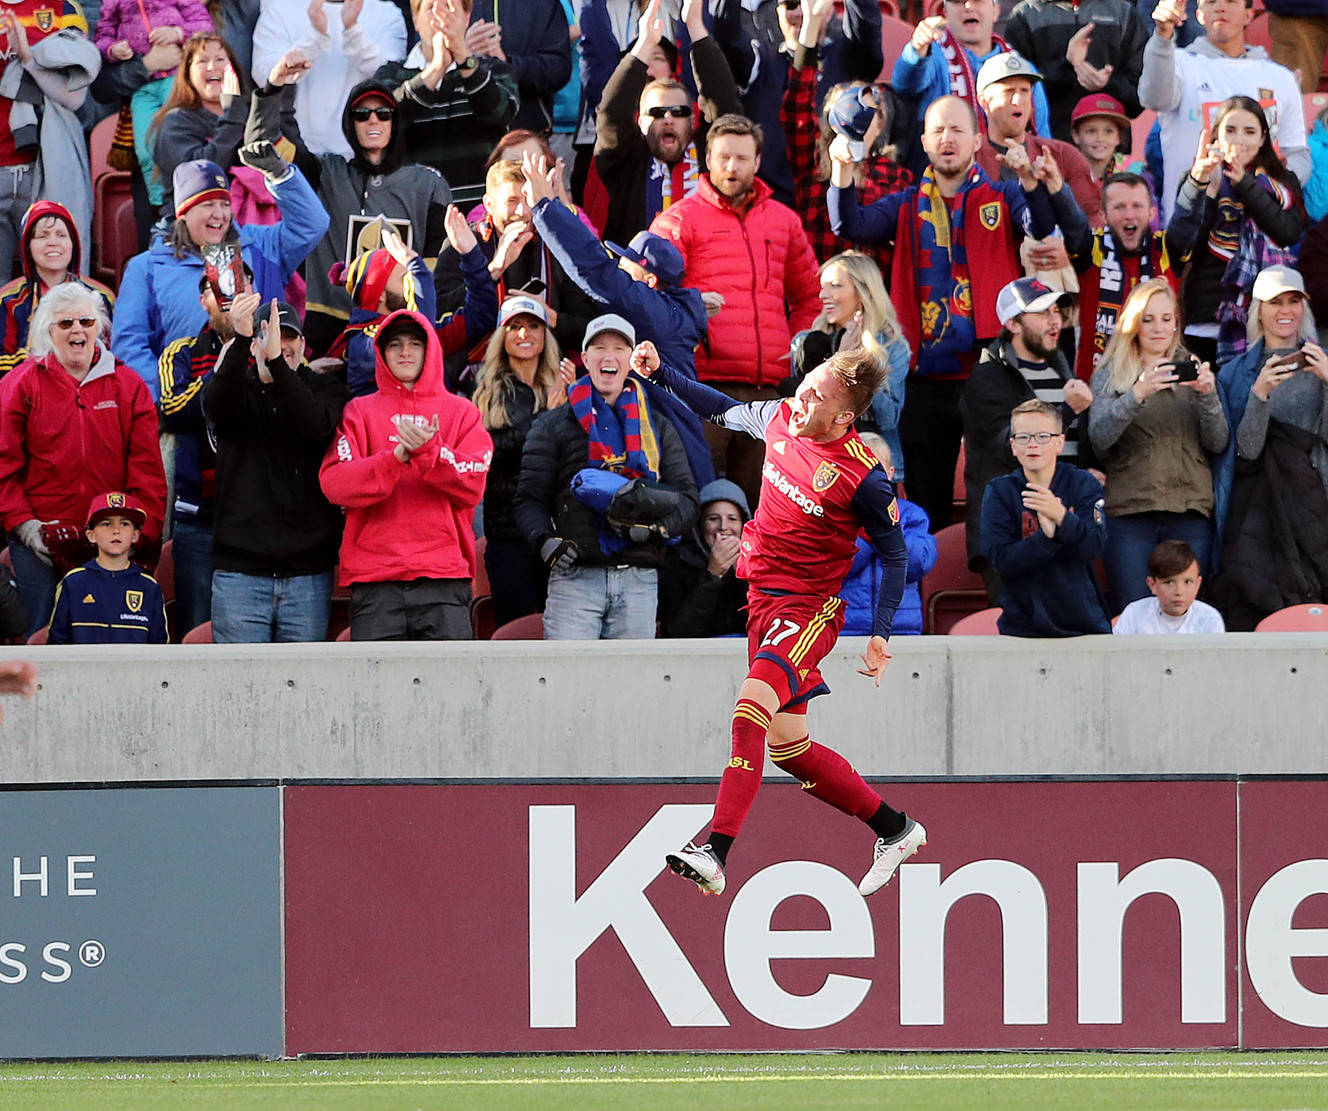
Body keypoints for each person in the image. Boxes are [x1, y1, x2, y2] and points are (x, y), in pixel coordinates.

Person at [638, 341, 924, 900]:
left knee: (750, 710)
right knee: (790, 748)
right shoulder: (781, 417)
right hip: (763, 601)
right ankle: (894, 828)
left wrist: (881, 633)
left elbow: (895, 554)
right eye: (809, 380)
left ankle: (715, 851)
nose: (803, 394)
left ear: (844, 415)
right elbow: (718, 407)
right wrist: (660, 373)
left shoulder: (863, 478)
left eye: (818, 394)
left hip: (806, 610)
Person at [828, 94, 1085, 535]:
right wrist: (842, 168)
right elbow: (850, 226)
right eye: (938, 131)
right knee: (926, 500)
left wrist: (1026, 179)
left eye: (958, 130)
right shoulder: (905, 204)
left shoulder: (1001, 195)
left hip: (990, 370)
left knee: (999, 486)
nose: (948, 139)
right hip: (923, 375)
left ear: (977, 140)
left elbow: (1040, 227)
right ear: (924, 142)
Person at [650, 113, 822, 503]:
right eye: (724, 157)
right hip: (704, 387)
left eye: (742, 158)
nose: (732, 167)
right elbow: (653, 295)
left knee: (764, 505)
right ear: (707, 158)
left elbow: (812, 295)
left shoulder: (785, 222)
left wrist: (794, 347)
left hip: (769, 393)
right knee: (696, 498)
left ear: (758, 162)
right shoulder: (679, 220)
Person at [512, 313, 699, 639]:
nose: (608, 356)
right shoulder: (553, 424)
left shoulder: (658, 426)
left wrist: (657, 530)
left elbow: (688, 498)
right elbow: (529, 499)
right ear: (584, 359)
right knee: (567, 682)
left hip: (639, 579)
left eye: (619, 347)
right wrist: (544, 542)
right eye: (598, 347)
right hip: (575, 579)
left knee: (631, 687)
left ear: (632, 360)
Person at [0, 283, 167, 636]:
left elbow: (148, 473)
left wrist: (136, 534)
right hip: (41, 539)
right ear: (48, 330)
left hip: (110, 542)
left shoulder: (129, 385)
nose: (78, 330)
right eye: (66, 324)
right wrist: (25, 525)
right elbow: (4, 464)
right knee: (39, 639)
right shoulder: (20, 384)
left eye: (87, 321)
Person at [246, 72, 454, 355]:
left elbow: (435, 266)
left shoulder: (429, 184)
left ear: (395, 122)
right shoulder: (326, 172)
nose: (373, 120)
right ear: (349, 123)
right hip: (327, 332)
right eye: (361, 114)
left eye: (383, 113)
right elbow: (265, 145)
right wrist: (274, 86)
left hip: (400, 331)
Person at [320, 309, 492, 640]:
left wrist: (431, 453)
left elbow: (474, 483)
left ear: (431, 351)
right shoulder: (358, 411)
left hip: (443, 578)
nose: (405, 352)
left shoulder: (462, 411)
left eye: (415, 343)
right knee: (376, 692)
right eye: (395, 344)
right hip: (375, 582)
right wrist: (394, 459)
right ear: (381, 353)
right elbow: (334, 483)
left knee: (449, 688)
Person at [112, 149, 330, 397]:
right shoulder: (147, 267)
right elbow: (130, 343)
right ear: (183, 213)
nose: (219, 214)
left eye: (225, 204)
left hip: (262, 398)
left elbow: (313, 225)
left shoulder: (259, 247)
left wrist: (281, 175)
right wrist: (165, 397)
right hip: (186, 402)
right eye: (208, 205)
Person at [204, 297, 350, 643]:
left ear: (302, 344)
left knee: (300, 690)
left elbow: (316, 425)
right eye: (269, 335)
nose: (279, 345)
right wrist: (240, 340)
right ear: (254, 342)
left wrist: (278, 368)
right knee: (239, 688)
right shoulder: (234, 388)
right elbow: (216, 408)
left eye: (288, 337)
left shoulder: (325, 388)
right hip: (240, 571)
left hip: (307, 573)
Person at [1088, 278, 1228, 610]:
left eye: (1166, 319)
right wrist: (1136, 394)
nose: (1158, 329)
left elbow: (1218, 441)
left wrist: (1208, 397)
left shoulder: (1192, 368)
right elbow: (1099, 439)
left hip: (1189, 508)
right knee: (1133, 611)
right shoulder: (1112, 373)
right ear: (1133, 324)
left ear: (1177, 323)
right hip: (1130, 510)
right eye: (1147, 319)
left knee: (1185, 614)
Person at [960, 276, 1093, 598]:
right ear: (1013, 324)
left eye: (1057, 312)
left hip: (1065, 520)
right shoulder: (987, 376)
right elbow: (1009, 447)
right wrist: (1068, 411)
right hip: (1012, 528)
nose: (1055, 320)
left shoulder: (1063, 371)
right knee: (1020, 633)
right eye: (1042, 313)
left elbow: (1077, 445)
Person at [1211, 265, 1328, 629]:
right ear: (1258, 310)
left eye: (1294, 301)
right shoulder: (1234, 373)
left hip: (1317, 503)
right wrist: (1259, 393)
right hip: (1257, 511)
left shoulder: (1323, 361)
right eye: (1275, 302)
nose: (1285, 310)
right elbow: (1245, 451)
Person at [1139, 0, 1309, 224]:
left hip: (1259, 233)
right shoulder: (1179, 63)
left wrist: (1267, 189)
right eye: (1211, 2)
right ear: (1199, 15)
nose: (1220, 7)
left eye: (1230, 1)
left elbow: (1298, 155)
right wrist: (1162, 36)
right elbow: (1153, 99)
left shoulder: (1280, 78)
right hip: (1190, 228)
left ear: (1249, 15)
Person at [1165, 96, 1305, 367]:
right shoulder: (1198, 176)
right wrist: (1203, 184)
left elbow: (1288, 231)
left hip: (1267, 320)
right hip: (1208, 320)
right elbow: (1181, 245)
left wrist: (1245, 185)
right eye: (1230, 130)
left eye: (1249, 132)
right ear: (1216, 134)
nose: (1239, 139)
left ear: (1263, 138)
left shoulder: (1282, 182)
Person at [433, 158, 597, 385]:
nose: (522, 211)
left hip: (545, 378)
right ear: (489, 205)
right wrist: (494, 270)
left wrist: (551, 317)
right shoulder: (462, 243)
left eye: (528, 199)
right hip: (473, 380)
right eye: (512, 201)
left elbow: (587, 327)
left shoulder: (556, 246)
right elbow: (439, 312)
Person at [157, 264, 256, 636]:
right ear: (204, 301)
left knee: (249, 636)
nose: (228, 299)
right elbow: (174, 409)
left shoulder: (274, 348)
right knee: (196, 632)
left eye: (237, 288)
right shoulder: (179, 353)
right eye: (218, 291)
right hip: (198, 518)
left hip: (255, 520)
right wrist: (228, 365)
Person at [592, 0, 743, 245]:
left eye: (679, 111)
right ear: (640, 120)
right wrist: (643, 44)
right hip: (638, 277)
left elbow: (725, 107)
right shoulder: (626, 160)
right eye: (658, 112)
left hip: (701, 274)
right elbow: (611, 114)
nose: (669, 118)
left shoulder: (711, 156)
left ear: (693, 120)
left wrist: (695, 27)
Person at [779, 0, 909, 270]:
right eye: (845, 107)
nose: (855, 115)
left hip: (875, 299)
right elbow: (797, 102)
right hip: (821, 292)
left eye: (866, 109)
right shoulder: (813, 164)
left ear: (881, 121)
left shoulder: (898, 177)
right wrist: (812, 24)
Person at [473, 294, 569, 627]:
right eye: (514, 327)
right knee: (514, 630)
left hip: (559, 531)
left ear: (546, 336)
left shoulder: (560, 387)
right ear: (502, 336)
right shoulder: (488, 390)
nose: (524, 334)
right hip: (508, 534)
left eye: (533, 326)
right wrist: (549, 416)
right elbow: (498, 450)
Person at [329, 213, 496, 399]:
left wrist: (470, 254)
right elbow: (419, 330)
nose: (412, 285)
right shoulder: (363, 342)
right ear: (381, 295)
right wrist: (414, 264)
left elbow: (481, 316)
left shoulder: (426, 329)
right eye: (405, 279)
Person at [981, 398, 1111, 635]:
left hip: (1082, 623)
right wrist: (1047, 539)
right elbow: (1001, 560)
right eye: (1023, 437)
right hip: (1021, 626)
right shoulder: (1000, 491)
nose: (1033, 445)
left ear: (1060, 442)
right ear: (1013, 446)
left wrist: (1062, 517)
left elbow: (1093, 548)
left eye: (1043, 437)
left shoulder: (1083, 484)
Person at [372, 0, 519, 209]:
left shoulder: (494, 70)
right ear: (415, 19)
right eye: (431, 8)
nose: (439, 17)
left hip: (477, 215)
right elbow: (382, 120)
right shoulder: (391, 74)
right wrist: (436, 68)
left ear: (466, 17)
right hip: (413, 212)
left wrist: (462, 57)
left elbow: (500, 114)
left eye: (448, 7)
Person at [891, 0, 1051, 174]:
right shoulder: (932, 54)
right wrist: (917, 49)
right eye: (958, 2)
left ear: (996, 11)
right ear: (945, 12)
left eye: (978, 1)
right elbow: (904, 85)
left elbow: (1041, 139)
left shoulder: (1021, 68)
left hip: (1012, 180)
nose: (969, 7)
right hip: (946, 181)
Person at [791, 251, 909, 481]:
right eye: (823, 286)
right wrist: (840, 359)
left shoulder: (892, 347)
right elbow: (800, 412)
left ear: (863, 292)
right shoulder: (804, 343)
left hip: (873, 466)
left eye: (835, 285)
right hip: (817, 466)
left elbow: (888, 418)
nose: (824, 295)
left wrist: (859, 367)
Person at [95, 0, 213, 212]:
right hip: (143, 88)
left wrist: (178, 33)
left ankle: (189, 196)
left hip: (178, 82)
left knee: (179, 141)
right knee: (147, 147)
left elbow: (203, 25)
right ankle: (161, 205)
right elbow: (102, 40)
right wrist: (114, 51)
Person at [250, 0, 408, 158]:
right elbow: (264, 76)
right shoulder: (279, 7)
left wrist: (352, 30)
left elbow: (390, 79)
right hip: (296, 152)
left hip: (365, 157)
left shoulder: (387, 13)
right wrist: (315, 40)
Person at [1068, 171, 1179, 381]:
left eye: (1137, 206)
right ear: (1103, 215)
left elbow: (1187, 220)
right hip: (1098, 385)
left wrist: (1198, 179)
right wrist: (1056, 187)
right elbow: (1070, 222)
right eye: (1119, 207)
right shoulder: (1092, 250)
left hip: (1160, 382)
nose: (1129, 215)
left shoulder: (1165, 250)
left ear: (1152, 212)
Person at [974, 51, 1102, 226]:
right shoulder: (969, 158)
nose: (1018, 99)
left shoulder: (1062, 155)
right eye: (1008, 91)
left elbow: (1094, 217)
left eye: (1025, 90)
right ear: (984, 101)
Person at [1003, 0, 1149, 142]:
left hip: (1109, 151)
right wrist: (1066, 68)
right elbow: (1017, 92)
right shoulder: (1026, 14)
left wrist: (1107, 83)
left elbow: (1143, 93)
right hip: (1048, 146)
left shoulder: (1123, 12)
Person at [0, 202, 115, 375]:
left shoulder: (100, 297)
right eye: (42, 236)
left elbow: (111, 356)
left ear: (73, 245)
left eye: (62, 235)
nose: (53, 243)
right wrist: (42, 357)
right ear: (28, 247)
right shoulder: (10, 300)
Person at [841, 434, 936, 637]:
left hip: (900, 628)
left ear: (891, 474)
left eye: (876, 470)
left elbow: (917, 564)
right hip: (846, 628)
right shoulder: (835, 517)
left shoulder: (911, 515)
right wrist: (865, 538)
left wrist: (886, 530)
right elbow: (834, 569)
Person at [150, 33, 252, 216]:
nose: (213, 67)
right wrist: (233, 115)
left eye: (220, 59)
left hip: (253, 225)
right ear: (187, 73)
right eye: (203, 61)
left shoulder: (251, 115)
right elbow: (204, 178)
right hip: (191, 231)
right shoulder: (176, 122)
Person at [48, 493, 169, 645]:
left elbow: (159, 647)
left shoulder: (149, 587)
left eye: (125, 524)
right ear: (91, 535)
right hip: (84, 669)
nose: (116, 530)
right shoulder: (73, 583)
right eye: (106, 524)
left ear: (135, 535)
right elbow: (56, 644)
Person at [657, 477, 750, 638]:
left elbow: (765, 625)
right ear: (700, 525)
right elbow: (678, 632)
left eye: (732, 519)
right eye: (713, 519)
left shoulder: (763, 564)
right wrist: (713, 575)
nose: (723, 527)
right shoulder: (679, 561)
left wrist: (744, 575)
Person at [464, 0, 572, 135]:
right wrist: (462, 53)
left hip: (525, 138)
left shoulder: (543, 4)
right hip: (462, 137)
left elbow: (558, 69)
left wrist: (507, 63)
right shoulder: (446, 5)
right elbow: (433, 66)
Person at [1113, 538, 1225, 632]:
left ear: (1198, 584)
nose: (1179, 592)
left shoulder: (1209, 619)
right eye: (1169, 582)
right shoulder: (1134, 614)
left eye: (1188, 582)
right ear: (1152, 585)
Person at [1069, 93, 1134, 188]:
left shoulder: (1134, 173)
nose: (1100, 139)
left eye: (1108, 131)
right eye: (1091, 131)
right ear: (1076, 135)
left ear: (1119, 136)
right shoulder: (1066, 173)